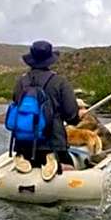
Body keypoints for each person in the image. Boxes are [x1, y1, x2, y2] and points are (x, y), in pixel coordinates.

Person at [11, 40, 81, 177]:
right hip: (53, 144)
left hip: (23, 144)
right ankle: (51, 160)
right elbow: (71, 115)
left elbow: (16, 103)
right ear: (50, 61)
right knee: (68, 166)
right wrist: (77, 118)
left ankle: (22, 159)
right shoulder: (60, 82)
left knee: (27, 154)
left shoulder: (21, 82)